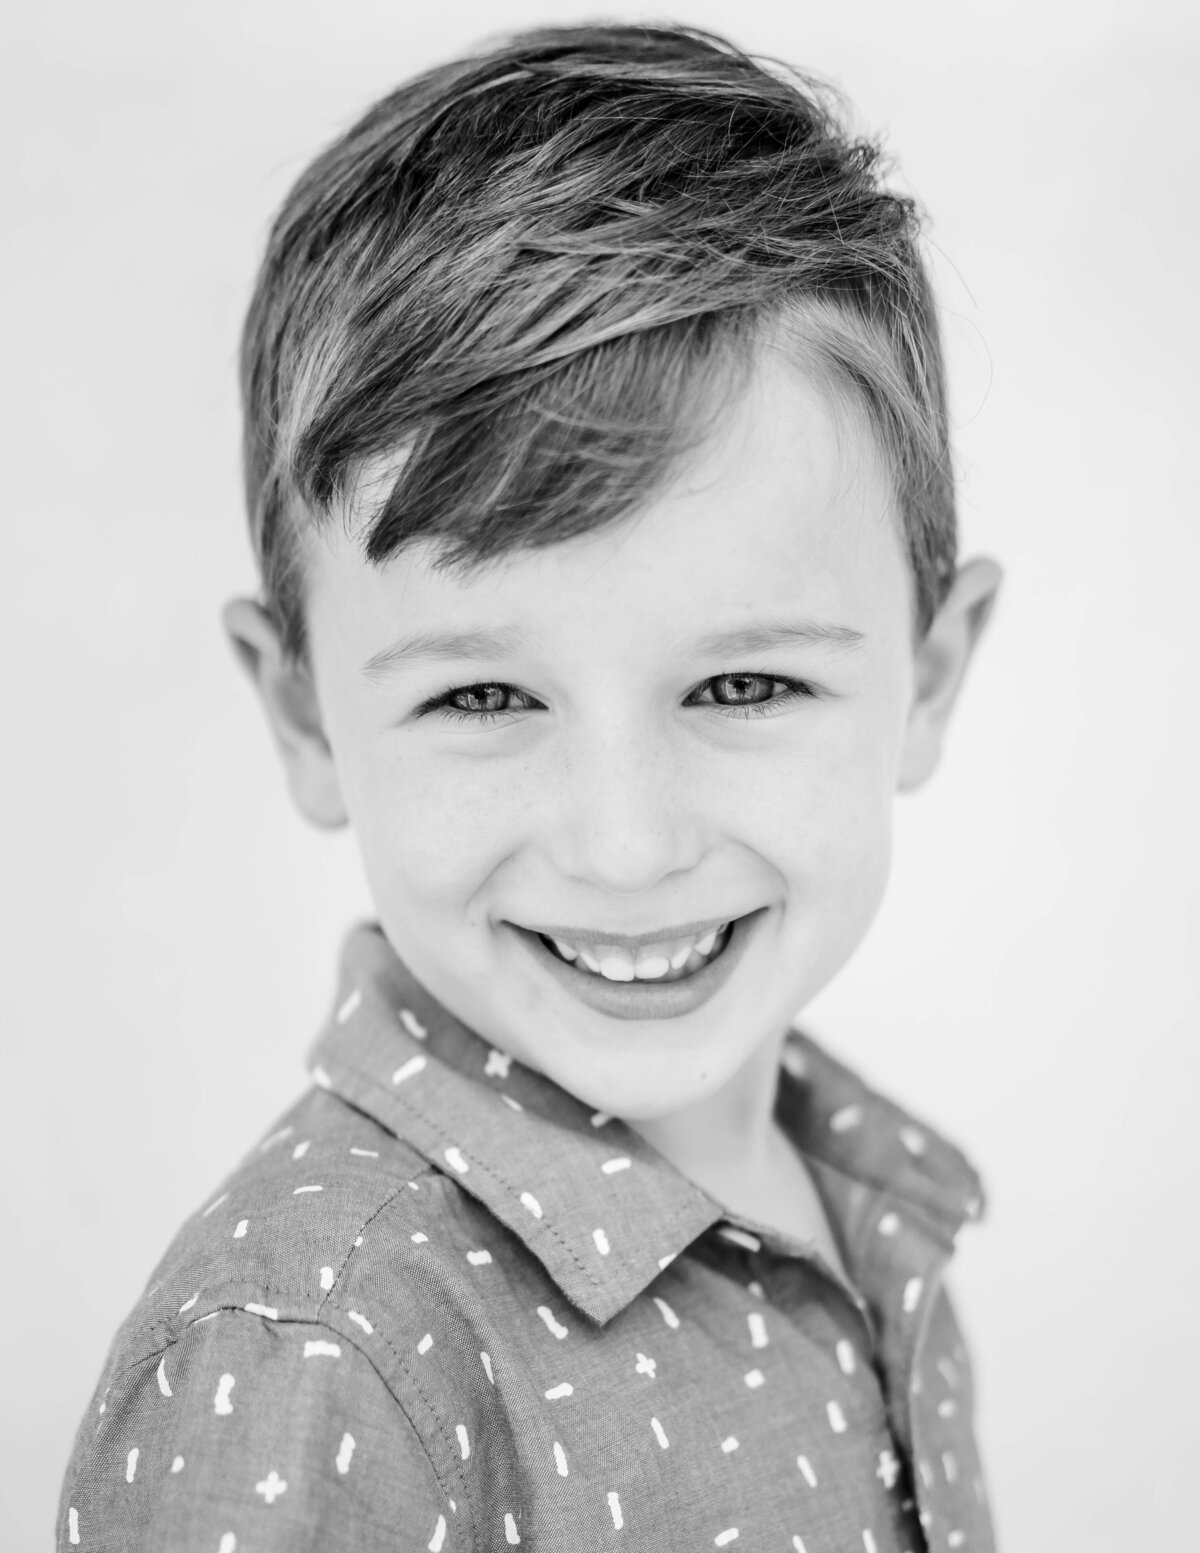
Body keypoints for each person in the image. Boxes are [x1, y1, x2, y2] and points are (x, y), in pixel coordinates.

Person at [58, 22, 1002, 1552]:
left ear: (934, 672)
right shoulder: (315, 1353)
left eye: (745, 683)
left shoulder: (864, 1194)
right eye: (484, 695)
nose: (624, 846)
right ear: (304, 714)